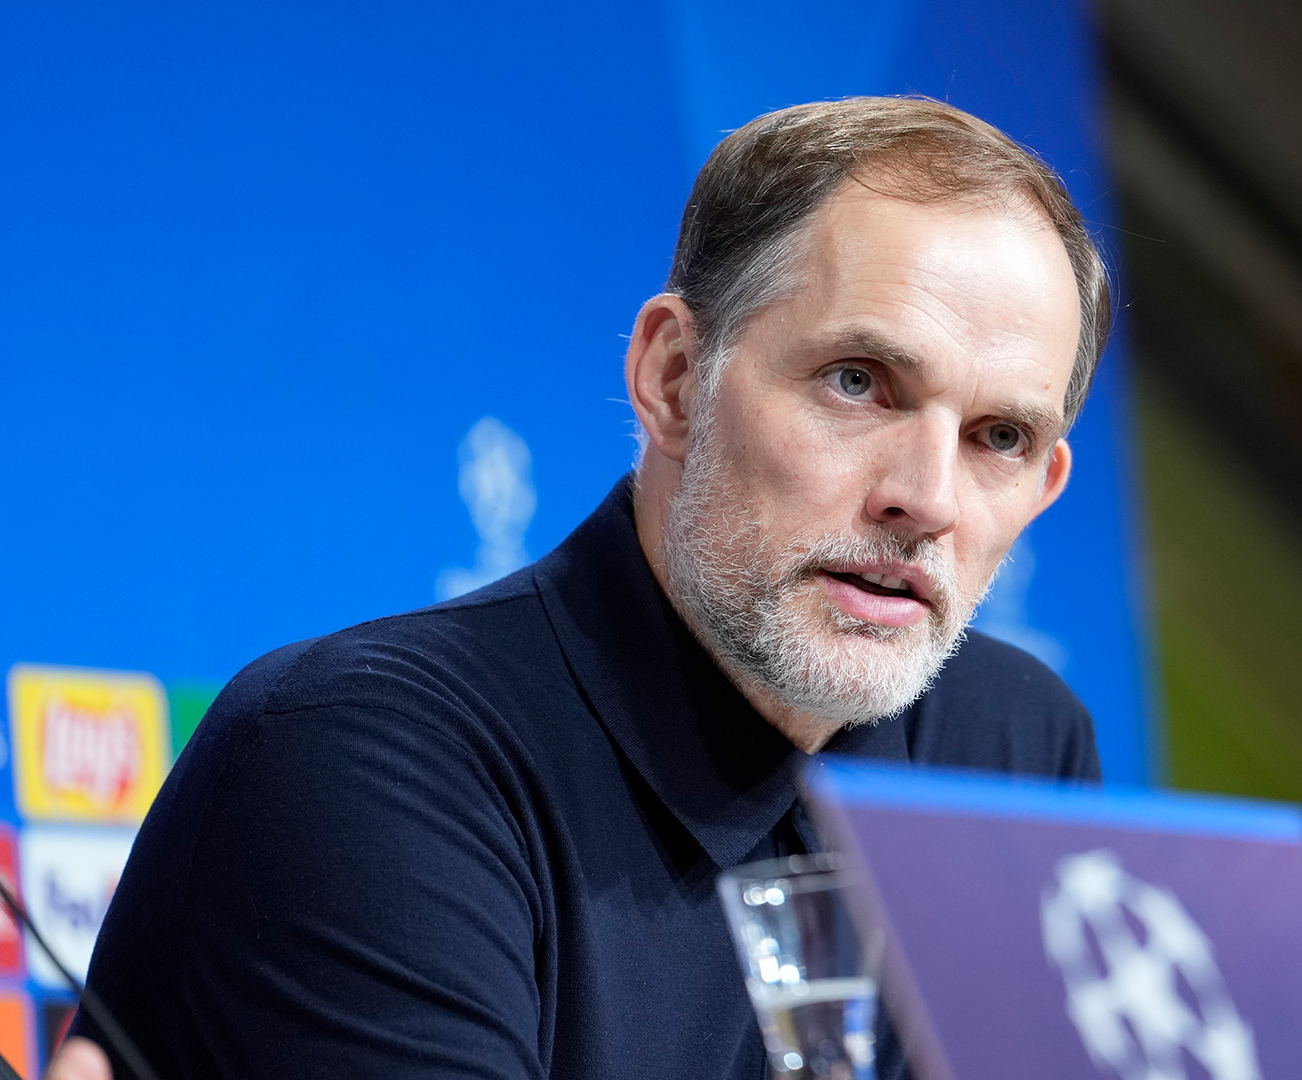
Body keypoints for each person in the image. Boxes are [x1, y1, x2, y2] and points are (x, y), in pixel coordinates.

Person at [58, 95, 1110, 1080]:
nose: (926, 499)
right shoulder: (364, 761)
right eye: (858, 383)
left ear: (1046, 486)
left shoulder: (1012, 754)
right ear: (672, 380)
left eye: (999, 438)